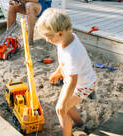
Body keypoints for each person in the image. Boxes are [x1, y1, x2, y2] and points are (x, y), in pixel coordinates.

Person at [36, 8, 96, 136]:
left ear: (60, 33)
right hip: (76, 80)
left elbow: (72, 81)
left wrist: (62, 105)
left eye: (49, 37)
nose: (47, 40)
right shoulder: (67, 38)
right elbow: (63, 62)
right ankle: (80, 124)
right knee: (66, 105)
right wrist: (58, 71)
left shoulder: (72, 54)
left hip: (83, 85)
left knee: (61, 110)